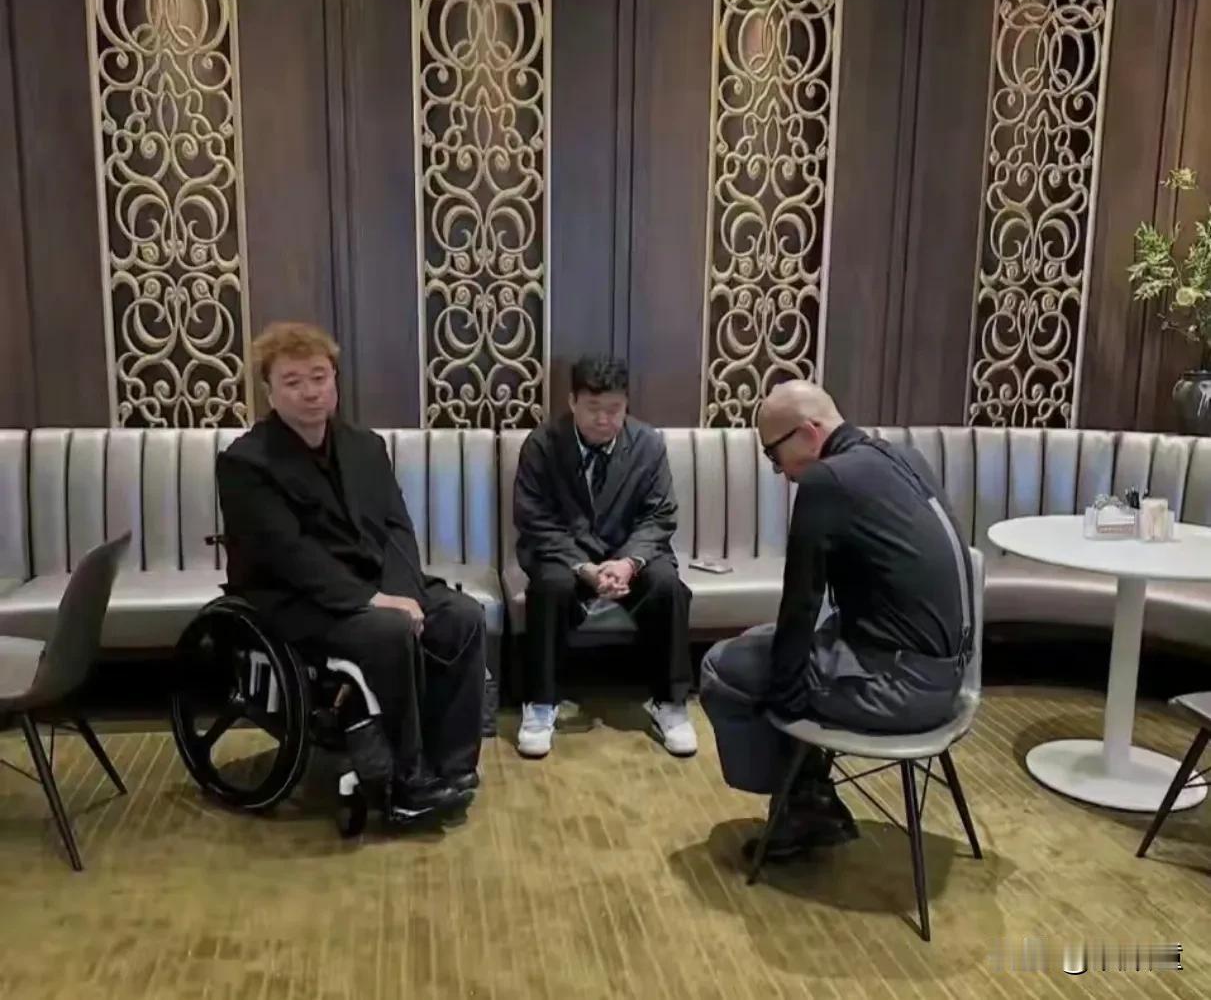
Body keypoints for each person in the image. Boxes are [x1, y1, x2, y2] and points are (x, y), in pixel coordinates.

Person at [217, 322, 486, 823]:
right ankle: (405, 782)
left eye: (319, 377)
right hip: (296, 599)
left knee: (463, 616)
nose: (310, 391)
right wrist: (375, 602)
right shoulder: (246, 463)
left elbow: (396, 527)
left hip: (377, 587)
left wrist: (403, 593)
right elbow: (288, 554)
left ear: (334, 380)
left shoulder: (365, 446)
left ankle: (453, 765)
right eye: (293, 381)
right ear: (269, 391)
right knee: (389, 629)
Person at [700, 381, 975, 861]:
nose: (780, 472)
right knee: (758, 645)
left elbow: (799, 605)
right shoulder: (904, 457)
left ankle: (802, 808)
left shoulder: (827, 480)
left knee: (723, 667)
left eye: (774, 455)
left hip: (900, 689)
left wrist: (787, 702)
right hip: (949, 676)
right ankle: (810, 798)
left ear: (809, 433)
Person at [512, 355, 696, 759]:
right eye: (593, 408)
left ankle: (670, 702)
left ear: (626, 404)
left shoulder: (647, 444)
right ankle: (541, 702)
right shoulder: (542, 445)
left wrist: (628, 562)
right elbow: (533, 519)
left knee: (667, 586)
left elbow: (660, 514)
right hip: (564, 554)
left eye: (614, 409)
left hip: (629, 553)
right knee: (551, 586)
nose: (603, 419)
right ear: (572, 401)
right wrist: (585, 567)